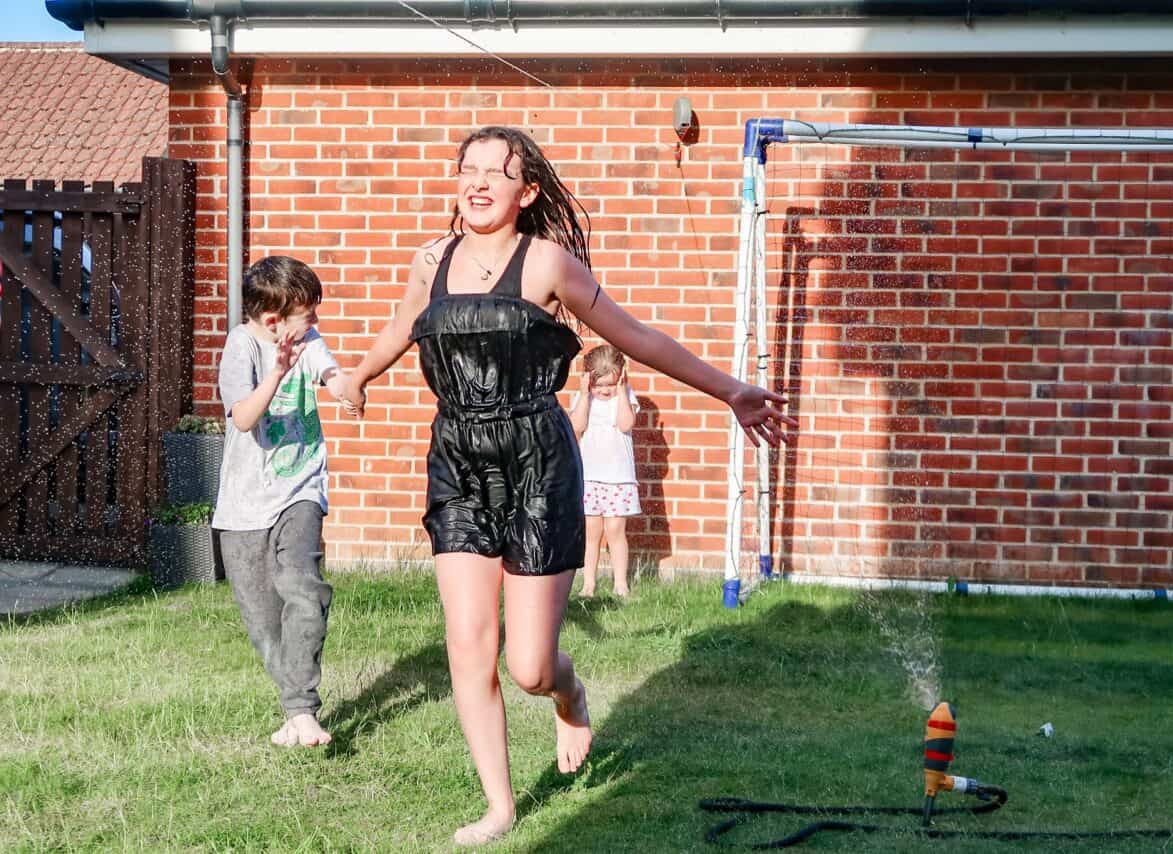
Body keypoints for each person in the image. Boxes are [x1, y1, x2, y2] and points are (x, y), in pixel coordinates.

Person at [342, 126, 793, 846]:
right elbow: (403, 327)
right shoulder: (431, 262)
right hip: (457, 456)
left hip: (537, 461)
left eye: (498, 172)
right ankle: (499, 806)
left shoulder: (548, 262)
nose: (479, 182)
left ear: (527, 193)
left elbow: (638, 336)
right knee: (467, 641)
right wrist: (359, 378)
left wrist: (730, 390)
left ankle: (569, 690)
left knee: (527, 665)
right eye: (469, 170)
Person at [213, 255, 358, 749]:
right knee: (264, 624)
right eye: (308, 315)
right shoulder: (241, 347)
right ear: (273, 321)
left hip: (299, 490)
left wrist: (346, 391)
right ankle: (294, 712)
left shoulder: (307, 342)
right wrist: (275, 373)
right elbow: (244, 418)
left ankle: (303, 708)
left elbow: (330, 373)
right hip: (244, 506)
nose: (315, 323)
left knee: (303, 588)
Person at [569, 344, 639, 598]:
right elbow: (577, 425)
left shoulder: (625, 396)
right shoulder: (585, 398)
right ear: (589, 380)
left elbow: (625, 424)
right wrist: (584, 394)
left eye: (610, 384)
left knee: (615, 532)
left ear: (620, 378)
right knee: (591, 534)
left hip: (618, 478)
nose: (604, 390)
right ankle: (589, 584)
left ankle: (620, 583)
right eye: (599, 385)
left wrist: (621, 391)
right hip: (590, 477)